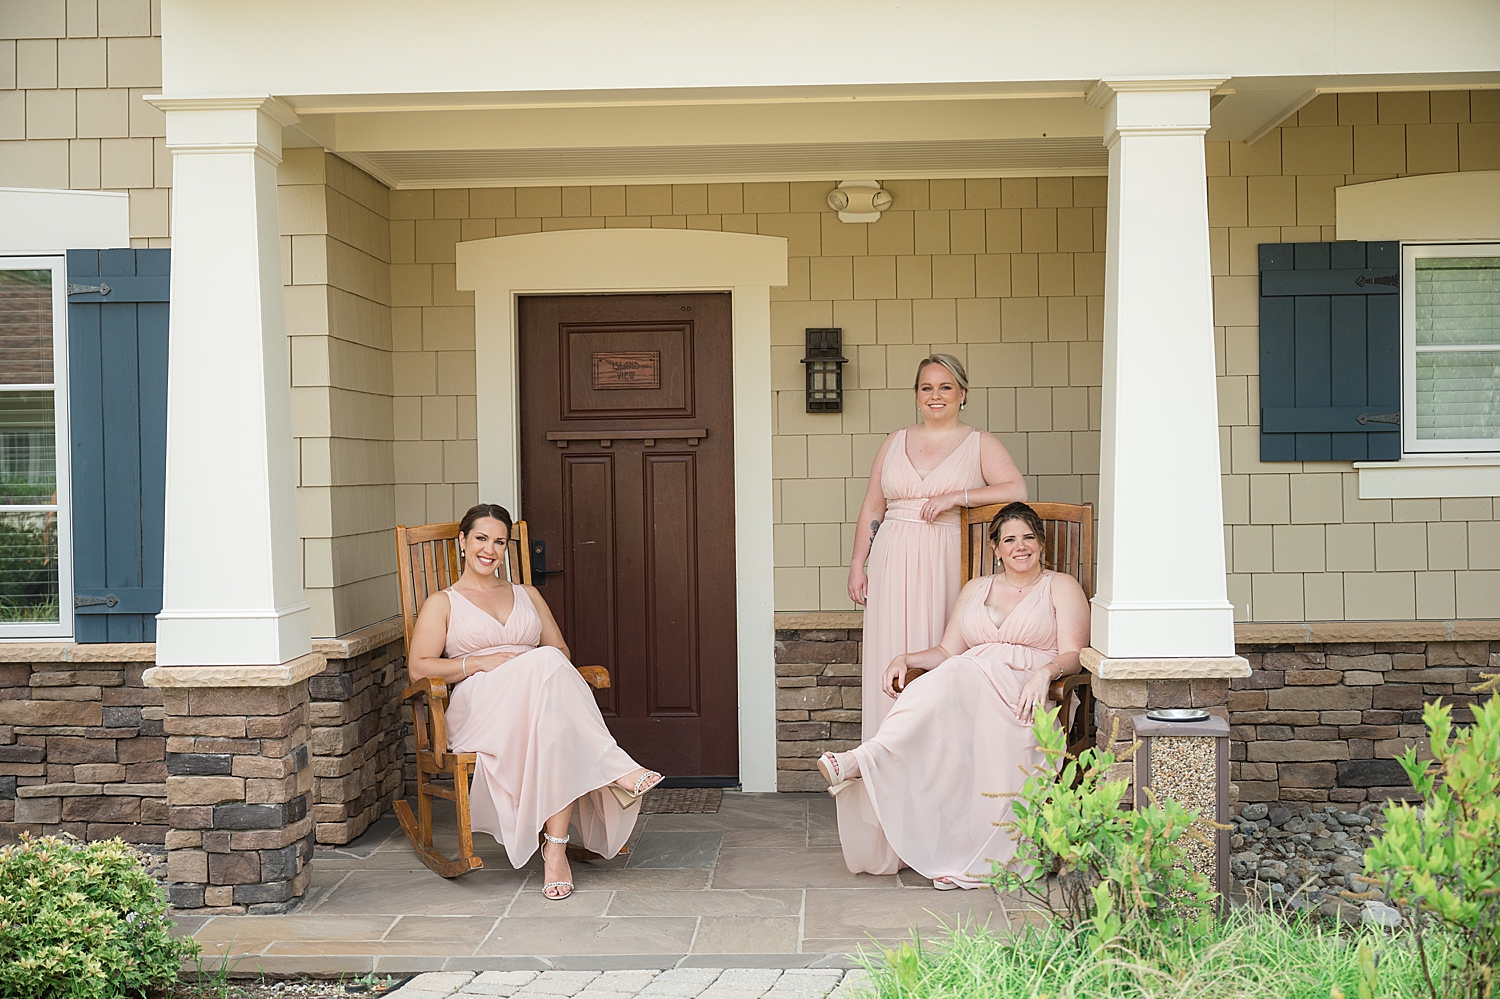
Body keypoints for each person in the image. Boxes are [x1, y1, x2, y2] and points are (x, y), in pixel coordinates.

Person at [820, 502, 1090, 889]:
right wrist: (906, 657)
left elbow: (1074, 654)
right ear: (995, 548)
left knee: (956, 673)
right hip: (970, 687)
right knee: (943, 680)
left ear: (1042, 543)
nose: (1020, 546)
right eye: (1009, 539)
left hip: (1028, 693)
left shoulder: (1061, 586)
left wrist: (1043, 675)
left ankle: (864, 759)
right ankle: (949, 848)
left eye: (1029, 537)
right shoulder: (976, 588)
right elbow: (948, 652)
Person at [407, 503, 665, 900]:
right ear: (462, 542)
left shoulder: (526, 594)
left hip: (535, 702)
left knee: (555, 725)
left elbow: (559, 650)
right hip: (480, 706)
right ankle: (614, 767)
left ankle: (555, 851)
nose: (489, 549)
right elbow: (419, 668)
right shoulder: (443, 602)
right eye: (480, 538)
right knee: (543, 664)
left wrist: (526, 666)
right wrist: (480, 661)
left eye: (499, 541)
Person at [847, 353, 1026, 739]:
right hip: (892, 557)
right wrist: (858, 563)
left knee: (940, 646)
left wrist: (957, 496)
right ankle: (887, 754)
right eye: (926, 387)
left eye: (945, 387)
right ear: (916, 395)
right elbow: (873, 505)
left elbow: (1015, 490)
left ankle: (937, 758)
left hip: (945, 554)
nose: (936, 395)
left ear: (962, 393)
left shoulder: (979, 443)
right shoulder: (894, 441)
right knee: (891, 646)